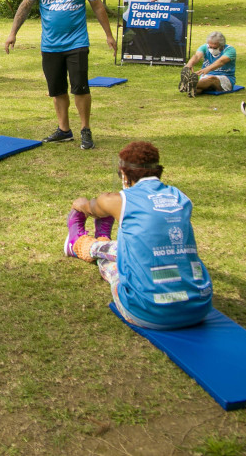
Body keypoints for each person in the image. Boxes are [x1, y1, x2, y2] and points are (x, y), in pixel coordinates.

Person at [63, 141, 212, 330]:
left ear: (124, 174)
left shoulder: (117, 201)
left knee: (116, 267)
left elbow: (91, 208)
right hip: (200, 307)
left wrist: (80, 203)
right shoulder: (181, 197)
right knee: (141, 250)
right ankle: (96, 241)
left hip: (147, 311)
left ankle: (83, 244)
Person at [4, 0, 117, 150]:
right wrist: (12, 33)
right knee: (56, 90)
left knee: (80, 87)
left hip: (77, 42)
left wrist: (109, 35)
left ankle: (85, 130)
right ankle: (64, 130)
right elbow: (26, 5)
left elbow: (97, 6)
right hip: (50, 45)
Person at [179, 31, 236, 97]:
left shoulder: (230, 50)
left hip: (225, 77)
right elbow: (197, 56)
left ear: (222, 45)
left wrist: (208, 69)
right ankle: (192, 88)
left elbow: (221, 61)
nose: (211, 49)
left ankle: (187, 85)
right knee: (200, 88)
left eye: (214, 48)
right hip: (206, 77)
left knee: (211, 79)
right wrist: (189, 65)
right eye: (210, 47)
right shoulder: (204, 47)